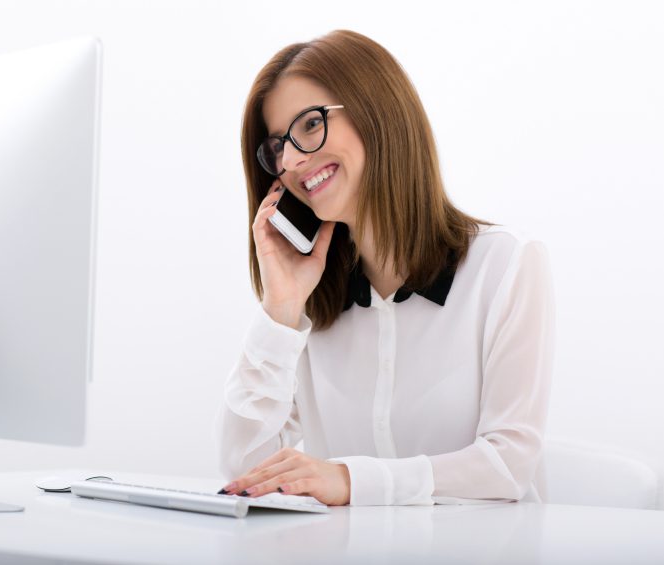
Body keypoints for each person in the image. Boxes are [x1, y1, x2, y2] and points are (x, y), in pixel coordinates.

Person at [214, 30, 555, 506]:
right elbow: (245, 473)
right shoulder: (313, 301)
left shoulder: (505, 265)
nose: (290, 160)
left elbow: (507, 465)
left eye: (310, 124)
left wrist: (352, 481)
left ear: (378, 113)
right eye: (277, 146)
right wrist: (281, 309)